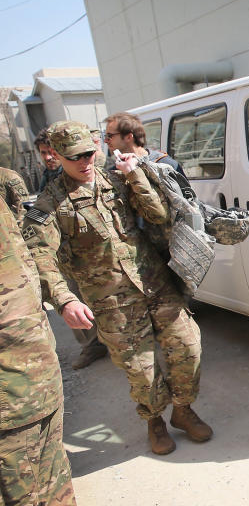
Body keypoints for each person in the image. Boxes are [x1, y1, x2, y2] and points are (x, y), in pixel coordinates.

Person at [21, 121, 211, 456]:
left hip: (155, 283)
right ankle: (155, 421)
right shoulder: (49, 204)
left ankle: (183, 410)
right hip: (112, 301)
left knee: (189, 348)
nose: (85, 161)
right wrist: (64, 300)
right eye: (74, 156)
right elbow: (38, 254)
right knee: (142, 370)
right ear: (56, 157)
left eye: (89, 152)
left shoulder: (116, 179)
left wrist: (135, 176)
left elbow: (157, 215)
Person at [0, 197, 102, 506]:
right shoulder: (50, 196)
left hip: (37, 390)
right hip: (9, 409)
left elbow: (30, 256)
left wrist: (61, 296)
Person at [32, 128, 109, 369]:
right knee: (77, 298)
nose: (47, 158)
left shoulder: (103, 175)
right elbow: (37, 241)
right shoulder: (50, 186)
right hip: (71, 258)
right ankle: (92, 345)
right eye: (43, 153)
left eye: (87, 154)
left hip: (106, 260)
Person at [103, 112, 186, 176]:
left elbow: (187, 197)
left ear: (128, 137)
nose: (106, 141)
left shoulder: (165, 164)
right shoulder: (116, 171)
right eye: (105, 136)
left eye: (110, 136)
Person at [35, 128, 63, 193]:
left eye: (51, 152)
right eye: (43, 153)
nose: (47, 157)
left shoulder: (73, 173)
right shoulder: (47, 175)